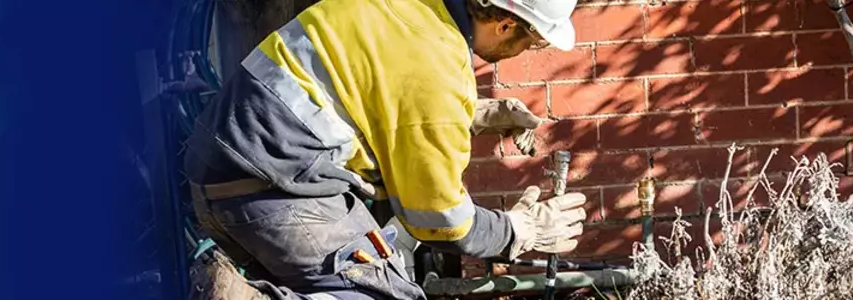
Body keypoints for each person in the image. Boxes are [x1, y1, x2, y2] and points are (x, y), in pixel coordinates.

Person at [181, 0, 589, 298]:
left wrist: (477, 115)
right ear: (504, 23)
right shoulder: (439, 66)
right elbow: (439, 219)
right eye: (534, 41)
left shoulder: (406, 9)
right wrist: (519, 230)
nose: (529, 50)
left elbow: (375, 94)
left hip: (218, 170)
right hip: (276, 189)